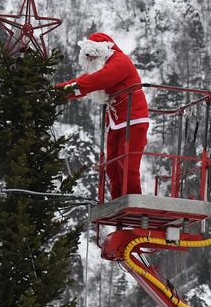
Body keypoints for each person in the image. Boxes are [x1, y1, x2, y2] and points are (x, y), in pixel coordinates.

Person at [57, 32, 149, 199]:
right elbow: (86, 80)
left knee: (128, 165)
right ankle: (118, 203)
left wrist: (66, 91)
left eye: (93, 56)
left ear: (103, 50)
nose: (91, 60)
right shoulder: (102, 65)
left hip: (133, 119)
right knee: (113, 167)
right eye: (88, 58)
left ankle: (133, 202)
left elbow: (97, 80)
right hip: (115, 122)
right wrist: (57, 91)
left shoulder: (120, 61)